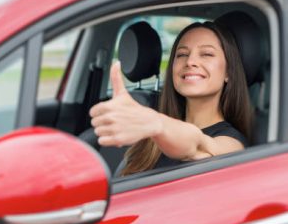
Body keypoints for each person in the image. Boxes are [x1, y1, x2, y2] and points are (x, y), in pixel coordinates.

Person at [90, 21, 252, 176]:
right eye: (182, 54)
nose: (190, 61)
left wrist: (155, 122)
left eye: (207, 54)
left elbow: (197, 145)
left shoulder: (233, 143)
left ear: (228, 72)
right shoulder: (148, 140)